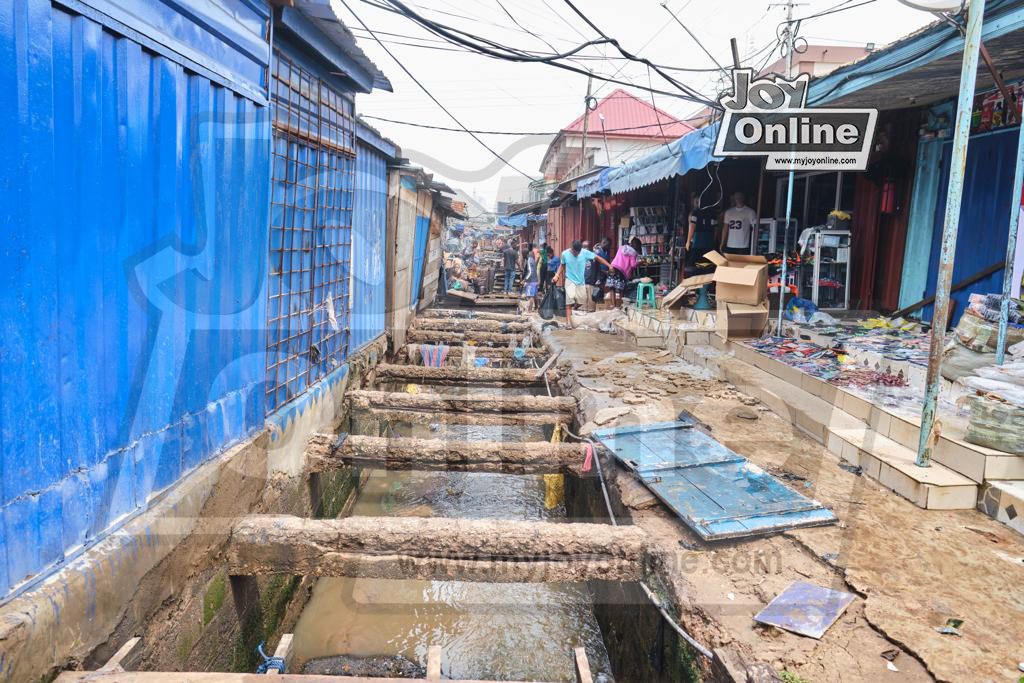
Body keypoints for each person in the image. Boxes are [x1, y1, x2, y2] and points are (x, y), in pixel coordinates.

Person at [554, 239, 611, 329]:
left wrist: (609, 265)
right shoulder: (565, 254)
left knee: (582, 301)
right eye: (575, 252)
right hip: (569, 280)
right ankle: (568, 323)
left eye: (578, 252)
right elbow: (562, 265)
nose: (577, 254)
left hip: (580, 281)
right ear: (572, 249)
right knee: (569, 301)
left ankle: (573, 309)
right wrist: (557, 275)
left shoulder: (584, 252)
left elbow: (597, 258)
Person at [606, 237, 643, 310]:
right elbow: (633, 265)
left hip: (612, 267)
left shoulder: (622, 247)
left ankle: (613, 306)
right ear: (637, 246)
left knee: (612, 288)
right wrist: (640, 262)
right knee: (620, 289)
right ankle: (619, 306)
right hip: (621, 271)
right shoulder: (633, 253)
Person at [687, 192, 717, 267]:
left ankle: (697, 274)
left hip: (698, 240)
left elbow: (692, 226)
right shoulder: (713, 213)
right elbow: (716, 229)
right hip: (709, 240)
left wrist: (688, 241)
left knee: (695, 261)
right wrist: (714, 240)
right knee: (707, 261)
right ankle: (704, 274)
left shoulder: (695, 213)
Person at [523, 244, 540, 310]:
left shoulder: (529, 261)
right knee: (535, 294)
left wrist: (525, 279)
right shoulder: (532, 259)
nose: (522, 255)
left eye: (522, 254)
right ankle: (536, 307)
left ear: (525, 254)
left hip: (531, 281)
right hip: (535, 280)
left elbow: (530, 271)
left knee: (531, 296)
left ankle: (529, 310)